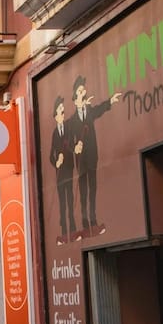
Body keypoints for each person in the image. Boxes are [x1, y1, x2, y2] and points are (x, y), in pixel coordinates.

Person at [67, 75, 121, 239]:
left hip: (92, 156)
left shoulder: (89, 111)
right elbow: (67, 142)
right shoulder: (72, 120)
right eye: (80, 91)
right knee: (83, 191)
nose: (83, 93)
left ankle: (93, 220)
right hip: (81, 160)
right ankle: (85, 224)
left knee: (93, 188)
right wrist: (74, 147)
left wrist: (110, 101)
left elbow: (99, 109)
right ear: (75, 98)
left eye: (84, 90)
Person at [49, 96, 77, 246]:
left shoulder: (68, 129)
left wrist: (73, 149)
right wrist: (56, 162)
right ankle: (64, 232)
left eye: (63, 111)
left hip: (68, 170)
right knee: (62, 202)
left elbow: (71, 145)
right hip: (60, 173)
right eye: (60, 111)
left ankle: (72, 230)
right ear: (55, 115)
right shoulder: (54, 133)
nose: (63, 113)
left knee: (70, 199)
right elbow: (50, 156)